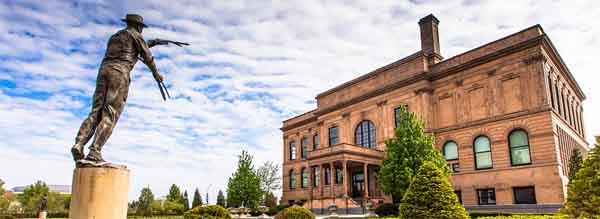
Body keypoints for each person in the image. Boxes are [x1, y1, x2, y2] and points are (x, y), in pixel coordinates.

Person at [70, 14, 164, 166]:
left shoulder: (115, 36)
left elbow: (129, 49)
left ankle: (79, 143)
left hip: (104, 70)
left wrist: (149, 44)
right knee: (111, 112)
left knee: (96, 111)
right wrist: (156, 73)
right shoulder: (136, 35)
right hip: (119, 73)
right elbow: (146, 56)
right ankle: (95, 152)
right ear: (139, 26)